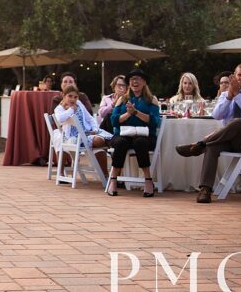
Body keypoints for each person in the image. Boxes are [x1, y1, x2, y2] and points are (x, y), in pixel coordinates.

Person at [177, 63, 241, 204]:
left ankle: (200, 144)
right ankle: (205, 189)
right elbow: (217, 115)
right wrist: (229, 97)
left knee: (237, 122)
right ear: (234, 76)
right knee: (212, 147)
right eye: (239, 75)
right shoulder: (225, 94)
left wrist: (237, 95)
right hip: (225, 140)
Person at [107, 69, 161, 197]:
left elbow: (154, 121)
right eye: (131, 79)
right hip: (124, 134)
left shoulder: (151, 100)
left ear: (144, 82)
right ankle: (113, 179)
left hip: (145, 136)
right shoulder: (122, 99)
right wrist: (128, 114)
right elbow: (114, 121)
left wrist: (136, 112)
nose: (134, 81)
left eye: (137, 78)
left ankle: (148, 180)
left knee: (140, 143)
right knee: (120, 143)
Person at [53, 84, 112, 176]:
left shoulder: (79, 104)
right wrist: (71, 109)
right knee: (100, 141)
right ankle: (106, 172)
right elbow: (60, 119)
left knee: (110, 140)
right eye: (70, 96)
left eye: (75, 97)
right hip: (76, 138)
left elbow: (90, 118)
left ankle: (106, 173)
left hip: (88, 132)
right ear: (64, 96)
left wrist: (95, 129)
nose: (73, 99)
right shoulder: (59, 109)